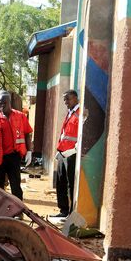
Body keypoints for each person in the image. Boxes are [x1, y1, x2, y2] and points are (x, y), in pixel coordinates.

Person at [0, 91, 33, 201]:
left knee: (15, 185)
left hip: (14, 156)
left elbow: (27, 134)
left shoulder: (20, 117)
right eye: (0, 103)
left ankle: (18, 211)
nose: (2, 106)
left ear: (10, 102)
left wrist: (30, 151)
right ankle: (0, 211)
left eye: (4, 103)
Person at [53, 90, 80, 218]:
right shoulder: (70, 113)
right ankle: (63, 210)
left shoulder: (80, 113)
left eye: (67, 99)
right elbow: (65, 135)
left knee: (70, 183)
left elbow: (80, 137)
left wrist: (71, 151)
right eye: (64, 100)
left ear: (75, 98)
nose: (65, 102)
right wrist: (59, 151)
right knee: (60, 181)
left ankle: (70, 212)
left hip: (71, 154)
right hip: (63, 152)